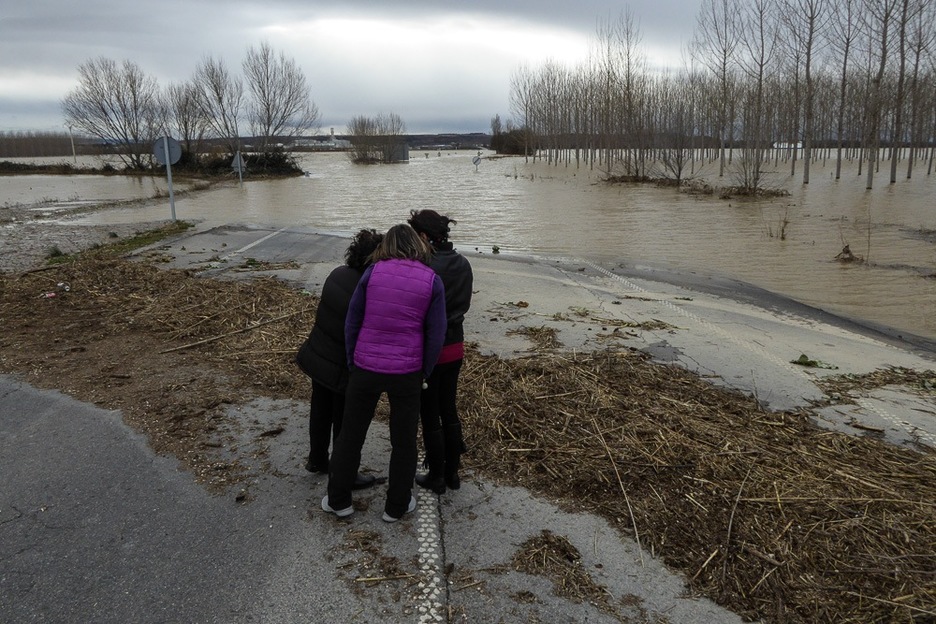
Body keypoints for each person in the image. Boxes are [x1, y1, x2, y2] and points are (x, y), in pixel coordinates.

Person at [322, 224, 447, 522]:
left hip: (366, 367)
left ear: (387, 245)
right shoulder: (431, 280)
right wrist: (424, 371)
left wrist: (354, 361)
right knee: (403, 442)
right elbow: (436, 333)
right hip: (407, 371)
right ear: (417, 245)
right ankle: (397, 505)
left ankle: (339, 501)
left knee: (350, 436)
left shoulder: (372, 273)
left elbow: (352, 321)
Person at [295, 229, 384, 490]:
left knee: (320, 410)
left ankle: (317, 459)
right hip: (340, 364)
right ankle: (345, 472)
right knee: (344, 419)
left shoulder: (337, 274)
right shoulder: (367, 289)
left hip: (317, 355)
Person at [407, 209, 473, 494]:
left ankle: (436, 474)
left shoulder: (424, 266)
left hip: (431, 348)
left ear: (423, 236)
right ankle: (453, 473)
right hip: (456, 344)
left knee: (430, 411)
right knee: (449, 406)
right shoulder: (463, 263)